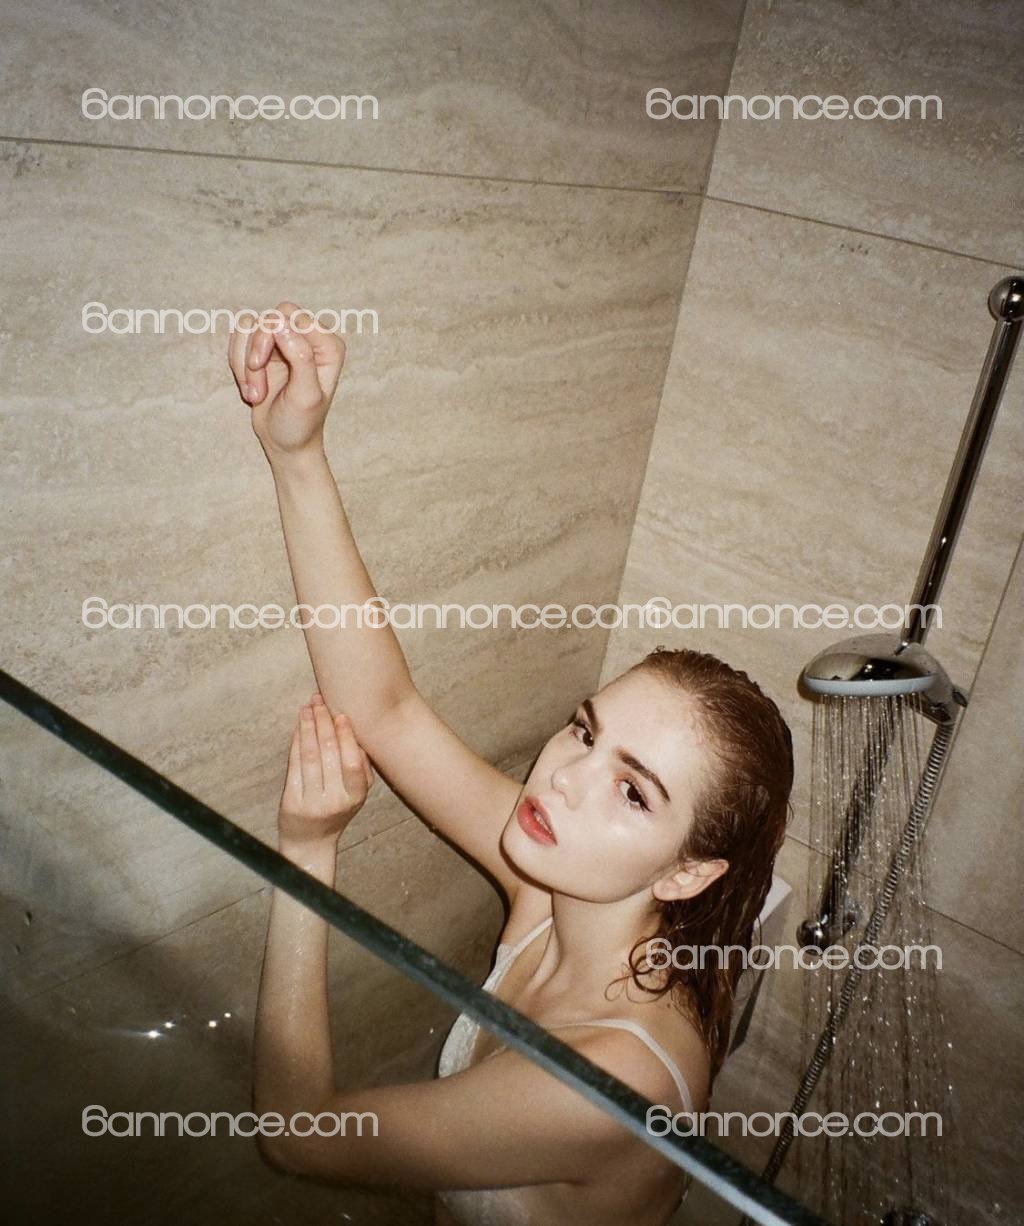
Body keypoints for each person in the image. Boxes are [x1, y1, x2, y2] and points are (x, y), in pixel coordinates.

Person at [232, 302, 795, 1225]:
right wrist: (296, 452)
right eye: (584, 731)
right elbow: (386, 709)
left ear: (689, 872)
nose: (564, 778)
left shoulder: (607, 1084)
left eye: (633, 791)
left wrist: (306, 853)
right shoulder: (564, 885)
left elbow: (299, 1135)